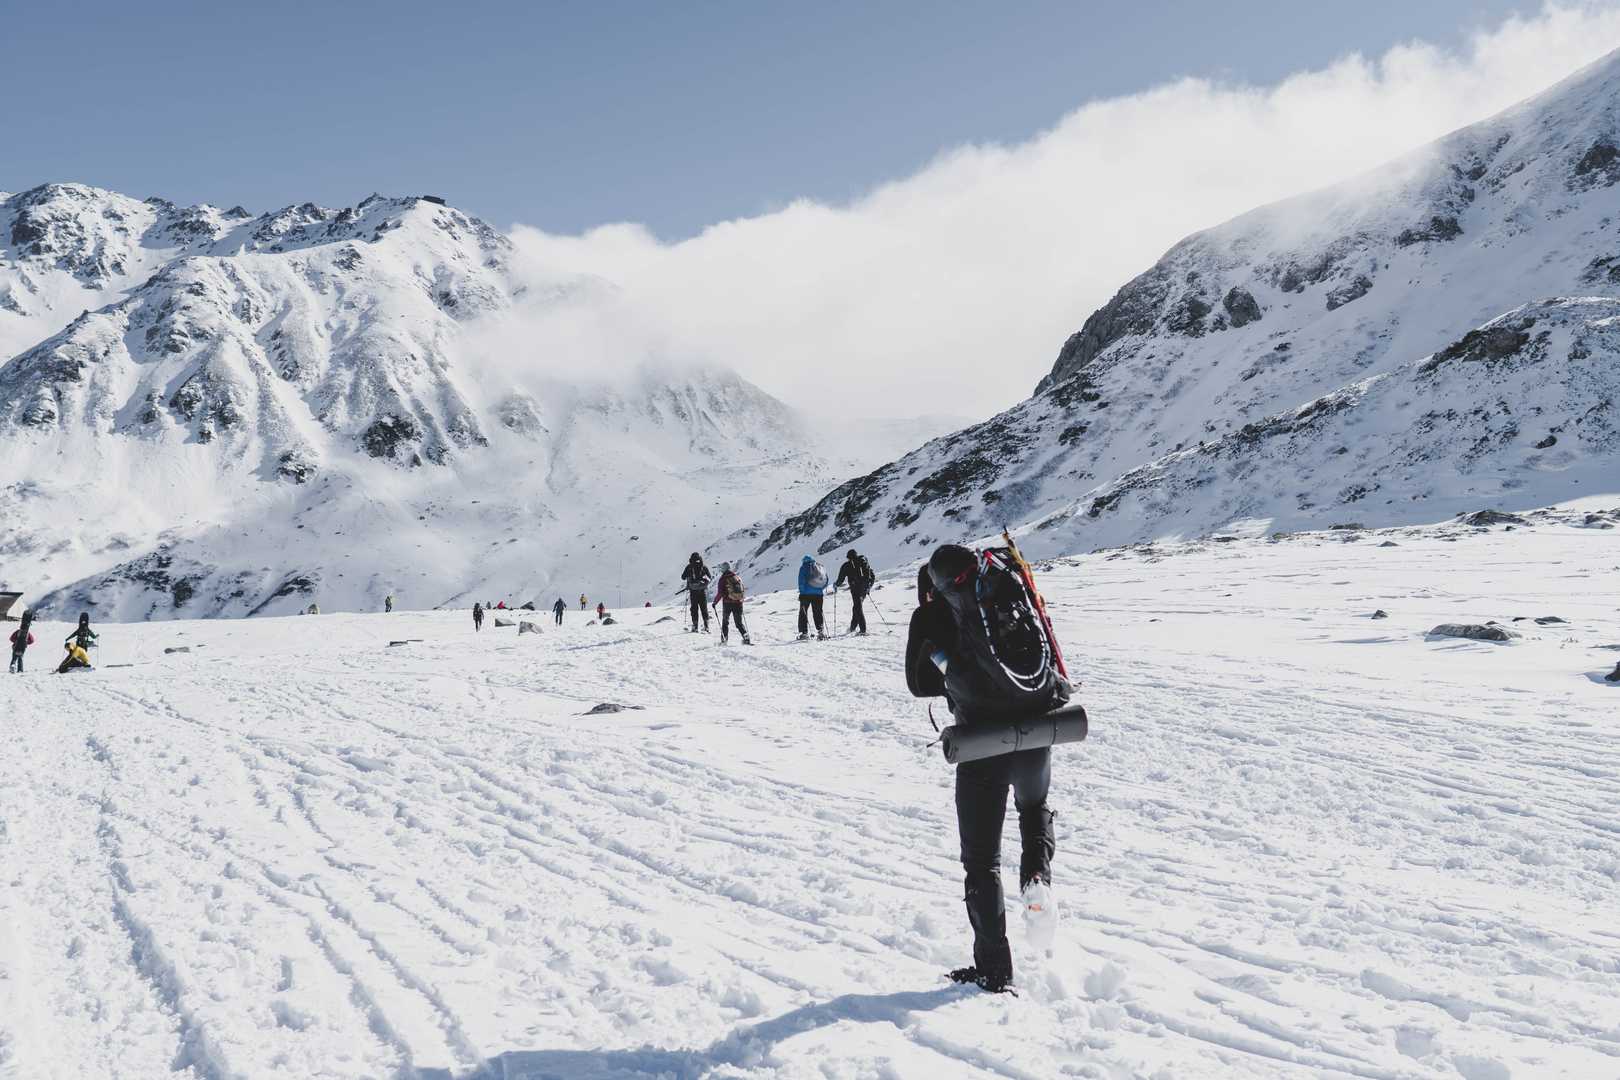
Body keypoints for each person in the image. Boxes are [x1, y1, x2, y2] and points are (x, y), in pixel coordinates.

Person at [905, 544, 1066, 995]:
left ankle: (994, 970)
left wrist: (945, 665)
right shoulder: (1005, 594)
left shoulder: (933, 615)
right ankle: (1037, 878)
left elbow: (919, 684)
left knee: (981, 860)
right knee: (1034, 808)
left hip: (982, 742)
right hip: (1035, 729)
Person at [834, 548, 876, 636]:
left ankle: (863, 630)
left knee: (857, 608)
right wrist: (868, 587)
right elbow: (872, 575)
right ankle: (852, 628)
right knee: (856, 607)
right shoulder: (863, 561)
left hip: (855, 589)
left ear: (848, 557)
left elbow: (841, 579)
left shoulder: (846, 565)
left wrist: (836, 584)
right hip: (864, 589)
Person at [714, 562, 752, 645]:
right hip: (738, 603)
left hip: (727, 604)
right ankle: (746, 638)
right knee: (739, 623)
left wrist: (715, 602)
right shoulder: (736, 577)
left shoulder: (723, 579)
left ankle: (724, 640)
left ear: (723, 569)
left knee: (725, 623)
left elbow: (720, 593)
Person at [796, 554, 829, 640]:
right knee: (818, 612)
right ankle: (821, 632)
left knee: (803, 613)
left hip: (806, 594)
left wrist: (802, 593)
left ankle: (804, 633)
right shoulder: (820, 567)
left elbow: (801, 581)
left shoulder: (803, 567)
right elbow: (826, 580)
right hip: (818, 595)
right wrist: (819, 589)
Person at [681, 552, 713, 633]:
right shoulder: (703, 567)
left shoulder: (689, 567)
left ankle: (695, 626)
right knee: (704, 608)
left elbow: (683, 577)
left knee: (694, 609)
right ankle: (706, 626)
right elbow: (709, 577)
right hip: (702, 591)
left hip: (693, 592)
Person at [9, 609, 34, 673]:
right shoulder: (27, 633)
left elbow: (11, 638)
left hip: (15, 646)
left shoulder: (18, 631)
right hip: (23, 647)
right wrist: (26, 642)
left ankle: (12, 667)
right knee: (20, 658)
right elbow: (32, 640)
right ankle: (20, 670)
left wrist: (16, 641)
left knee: (14, 658)